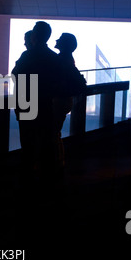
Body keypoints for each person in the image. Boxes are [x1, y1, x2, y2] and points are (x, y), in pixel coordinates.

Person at [12, 22, 63, 185]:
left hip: (27, 106)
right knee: (46, 144)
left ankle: (27, 181)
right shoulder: (54, 58)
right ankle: (46, 181)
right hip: (46, 107)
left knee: (27, 146)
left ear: (35, 35)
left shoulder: (27, 56)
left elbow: (15, 74)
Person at [53, 33, 86, 166]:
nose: (56, 40)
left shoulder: (61, 60)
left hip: (58, 100)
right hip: (64, 100)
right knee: (55, 133)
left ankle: (57, 162)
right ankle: (59, 162)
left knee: (52, 133)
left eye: (59, 39)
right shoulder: (67, 60)